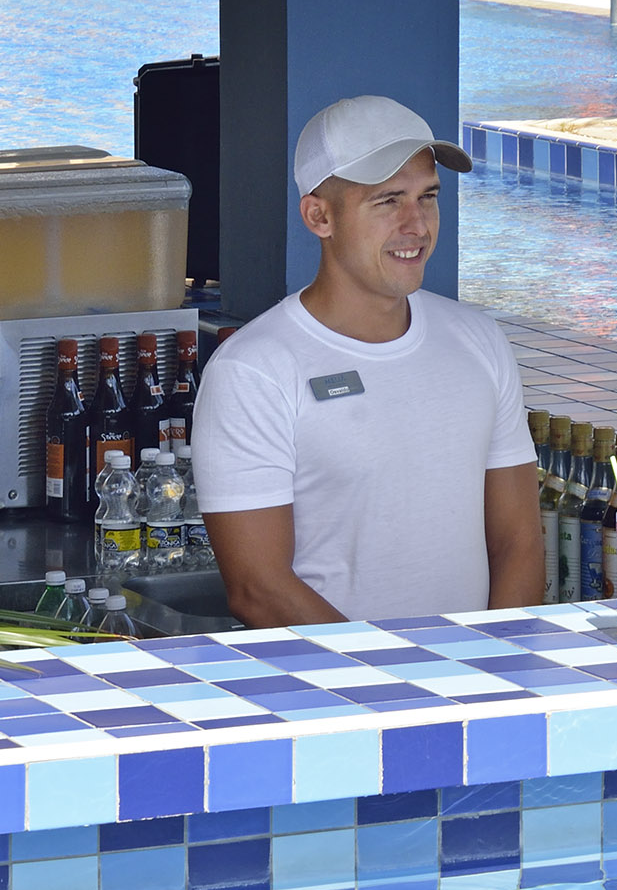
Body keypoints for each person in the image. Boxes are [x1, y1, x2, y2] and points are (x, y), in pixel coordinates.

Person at [192, 96, 544, 624]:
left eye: (428, 197)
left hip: (470, 689)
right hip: (334, 697)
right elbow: (258, 588)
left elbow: (520, 542)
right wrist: (395, 692)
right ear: (319, 216)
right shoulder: (254, 371)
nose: (417, 225)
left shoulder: (479, 340)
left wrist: (490, 670)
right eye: (387, 202)